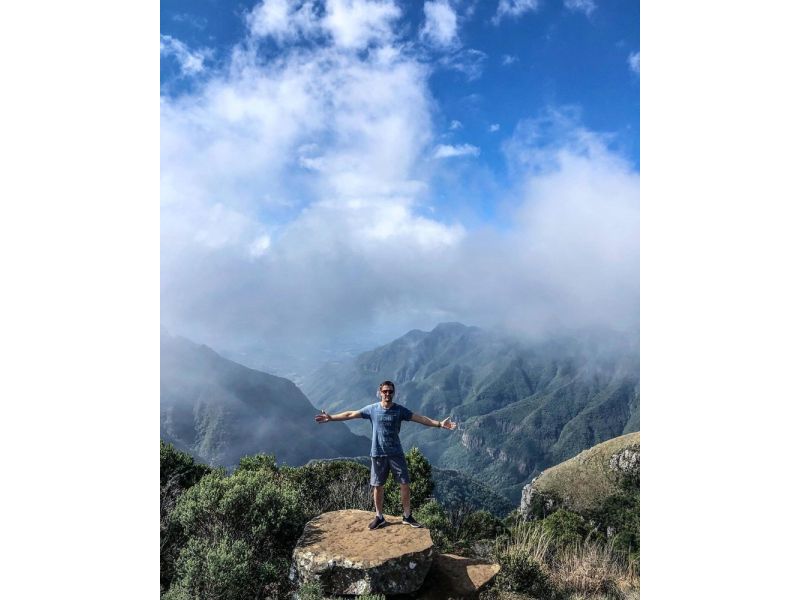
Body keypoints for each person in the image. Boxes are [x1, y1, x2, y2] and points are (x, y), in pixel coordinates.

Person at [315, 380, 457, 529]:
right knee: (378, 486)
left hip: (396, 454)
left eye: (390, 391)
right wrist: (331, 418)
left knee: (405, 484)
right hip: (378, 454)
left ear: (393, 393)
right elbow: (351, 414)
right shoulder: (372, 409)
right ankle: (379, 517)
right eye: (385, 391)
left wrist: (440, 424)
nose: (387, 394)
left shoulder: (400, 410)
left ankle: (407, 516)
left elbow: (420, 418)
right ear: (379, 393)